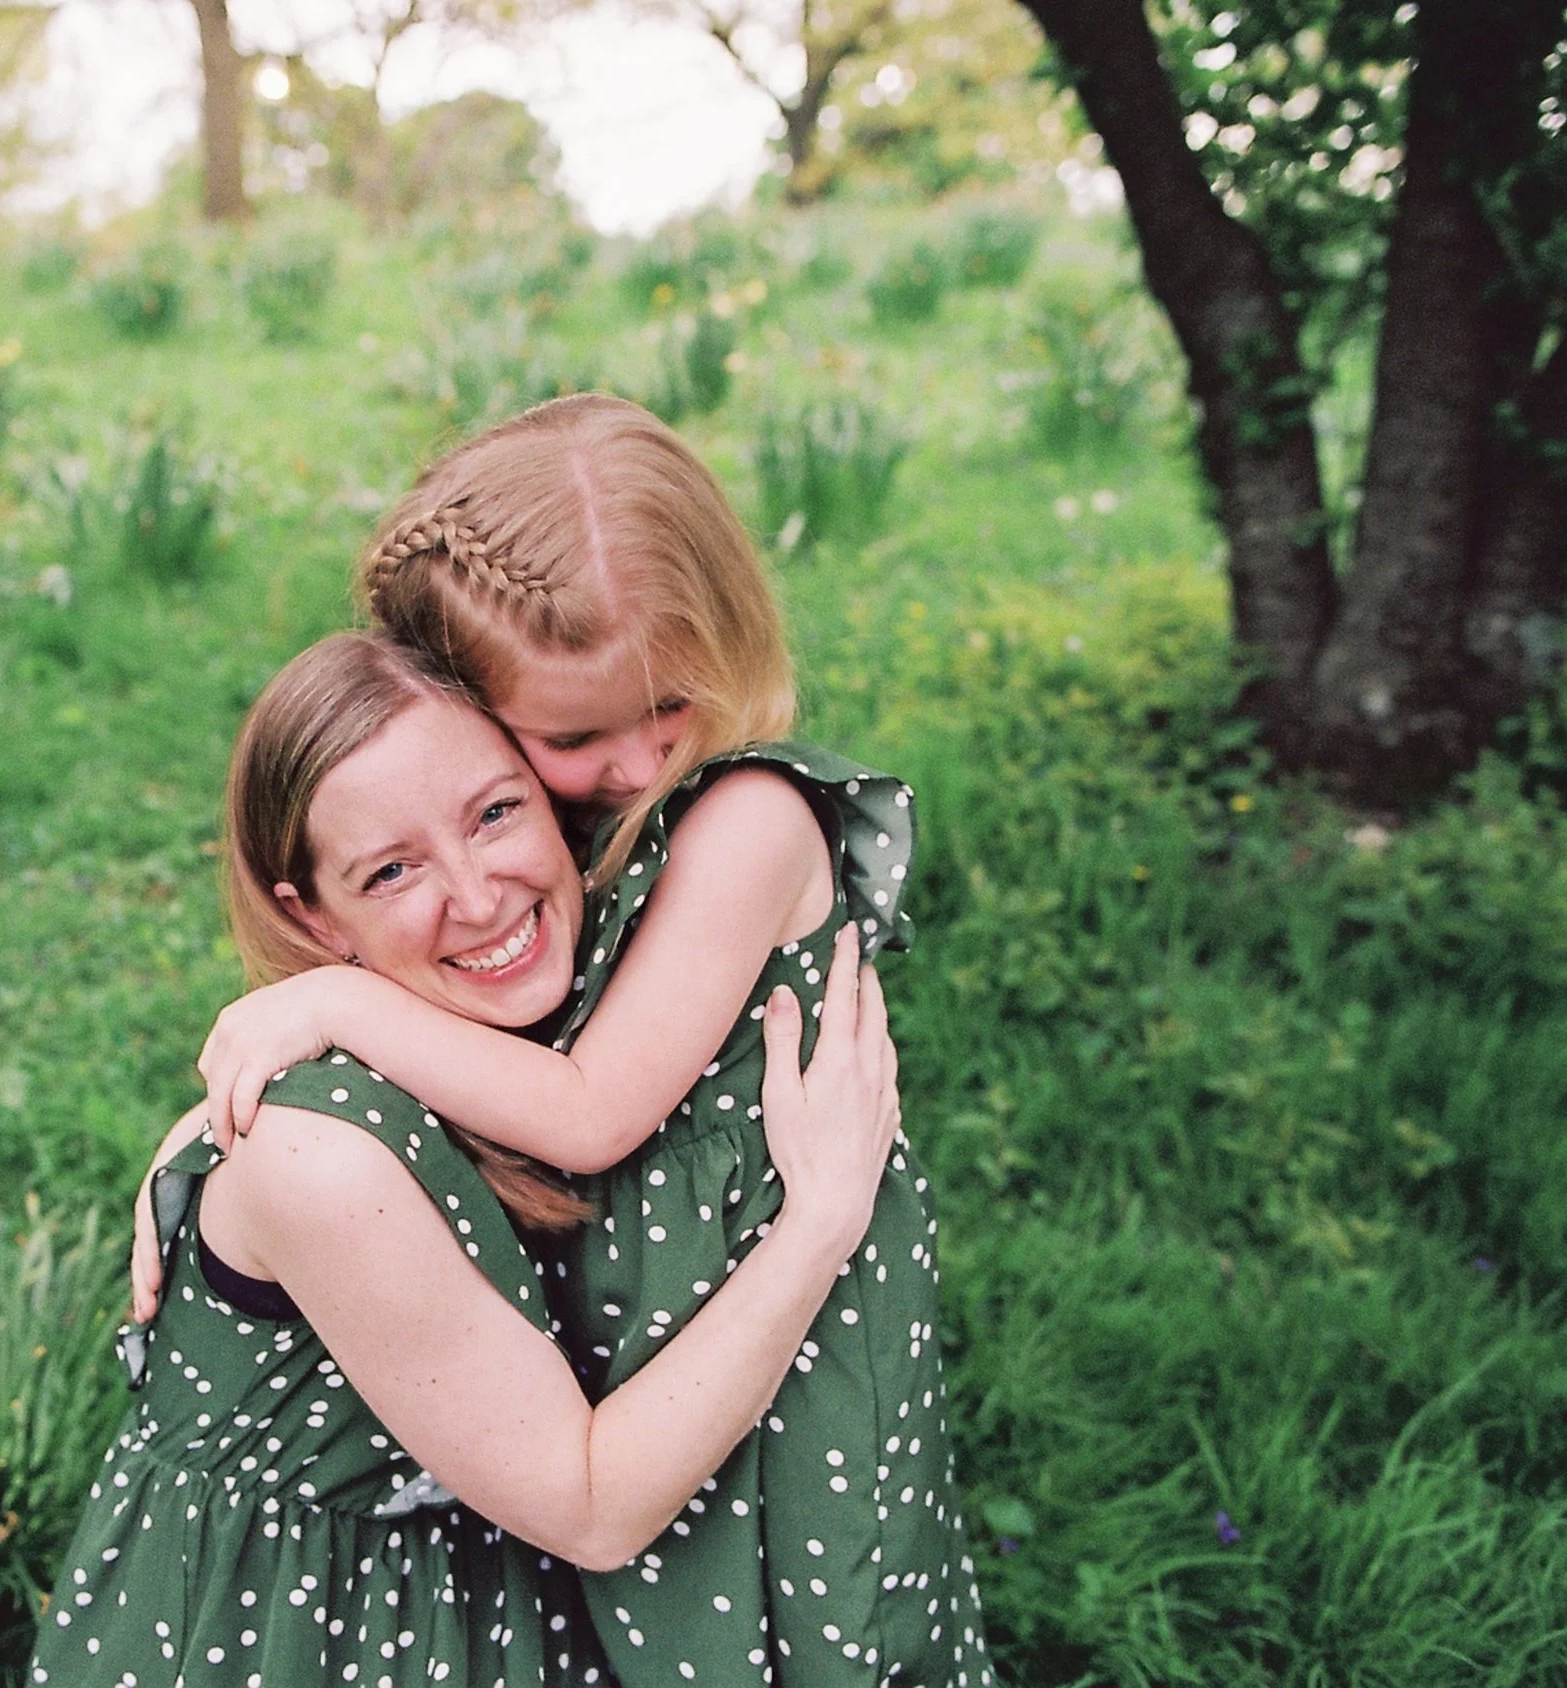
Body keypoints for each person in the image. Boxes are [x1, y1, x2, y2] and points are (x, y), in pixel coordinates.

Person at [184, 395, 995, 1684]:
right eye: (569, 738)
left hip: (784, 1337)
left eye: (669, 700)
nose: (634, 761)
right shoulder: (543, 840)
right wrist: (212, 1135)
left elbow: (590, 1109)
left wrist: (331, 1005)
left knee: (809, 1615)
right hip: (649, 1329)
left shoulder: (747, 816)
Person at [31, 631, 908, 1687]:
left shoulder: (501, 1038)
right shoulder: (321, 1160)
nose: (480, 895)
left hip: (456, 1589)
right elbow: (592, 1509)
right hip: (291, 1634)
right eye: (391, 869)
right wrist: (818, 1223)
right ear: (311, 916)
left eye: (495, 811)